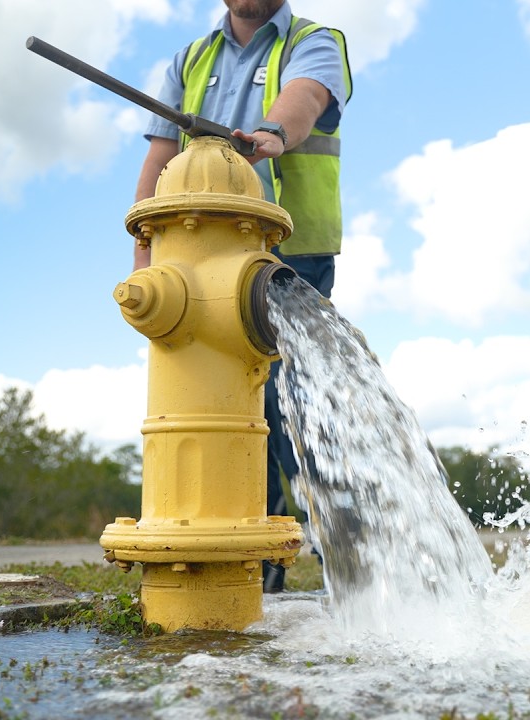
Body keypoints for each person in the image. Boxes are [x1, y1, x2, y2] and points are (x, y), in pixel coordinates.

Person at [134, 0, 351, 592]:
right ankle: (254, 572)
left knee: (297, 407)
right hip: (199, 260)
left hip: (290, 255)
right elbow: (160, 156)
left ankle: (349, 573)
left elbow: (305, 97)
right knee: (226, 405)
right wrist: (145, 254)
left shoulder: (313, 40)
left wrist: (272, 134)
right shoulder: (190, 60)